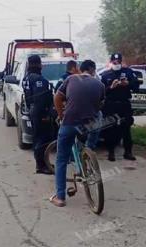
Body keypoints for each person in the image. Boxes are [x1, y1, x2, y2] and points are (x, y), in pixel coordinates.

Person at [50, 60, 105, 207]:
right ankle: (89, 149)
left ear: (80, 70)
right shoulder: (100, 85)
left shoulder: (71, 79)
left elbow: (57, 97)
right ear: (93, 71)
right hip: (90, 125)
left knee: (61, 159)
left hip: (70, 123)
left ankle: (60, 197)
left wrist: (61, 115)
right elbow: (100, 105)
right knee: (99, 115)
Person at [101, 53, 140, 162]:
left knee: (126, 128)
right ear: (111, 62)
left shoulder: (128, 72)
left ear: (121, 62)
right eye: (114, 62)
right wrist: (111, 87)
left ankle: (128, 152)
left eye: (118, 62)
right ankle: (111, 152)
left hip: (124, 104)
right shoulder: (105, 74)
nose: (116, 63)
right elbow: (102, 92)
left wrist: (128, 84)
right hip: (111, 105)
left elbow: (137, 87)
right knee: (110, 129)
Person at [22, 55, 54, 175]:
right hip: (40, 112)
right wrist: (45, 114)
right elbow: (40, 99)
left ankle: (43, 163)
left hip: (33, 110)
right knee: (43, 139)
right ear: (39, 64)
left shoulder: (27, 78)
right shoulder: (39, 79)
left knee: (37, 138)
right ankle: (41, 166)